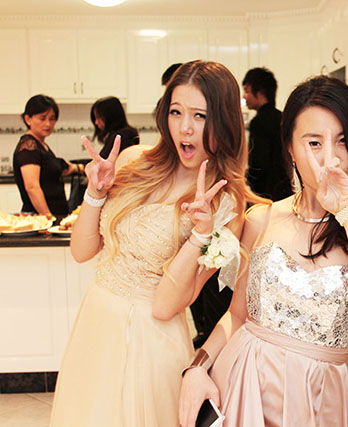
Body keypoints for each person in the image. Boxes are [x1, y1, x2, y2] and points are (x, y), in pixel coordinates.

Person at [178, 76, 348, 427]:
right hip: (243, 382)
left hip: (319, 398)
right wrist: (198, 367)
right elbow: (237, 315)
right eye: (314, 142)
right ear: (290, 148)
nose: (330, 158)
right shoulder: (262, 218)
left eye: (343, 141)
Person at [49, 60, 261, 426]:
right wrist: (95, 193)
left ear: (224, 121)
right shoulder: (134, 161)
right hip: (96, 322)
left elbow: (167, 306)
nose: (185, 127)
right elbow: (82, 251)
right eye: (176, 112)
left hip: (150, 340)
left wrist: (200, 234)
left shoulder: (226, 206)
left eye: (200, 116)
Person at [13, 94, 80, 217]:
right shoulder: (29, 146)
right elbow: (32, 187)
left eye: (52, 119)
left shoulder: (40, 145)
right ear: (28, 119)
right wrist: (48, 217)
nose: (48, 124)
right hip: (40, 218)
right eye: (42, 118)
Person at [242, 67, 292, 201]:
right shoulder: (284, 118)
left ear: (260, 93)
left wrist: (248, 183)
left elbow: (259, 163)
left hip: (266, 193)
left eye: (247, 91)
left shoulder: (258, 122)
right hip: (286, 190)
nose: (244, 96)